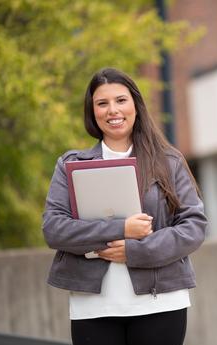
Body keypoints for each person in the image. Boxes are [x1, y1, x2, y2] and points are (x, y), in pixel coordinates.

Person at [42, 67, 207, 345]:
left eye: (120, 100)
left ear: (136, 106)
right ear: (92, 111)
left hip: (161, 302)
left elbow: (194, 227)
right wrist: (122, 228)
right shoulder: (71, 165)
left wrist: (134, 251)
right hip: (93, 306)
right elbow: (54, 229)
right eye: (102, 103)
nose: (112, 110)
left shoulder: (169, 161)